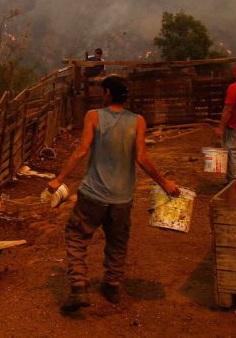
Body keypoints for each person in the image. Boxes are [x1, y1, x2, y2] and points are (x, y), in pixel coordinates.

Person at [47, 75, 180, 311]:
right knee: (118, 242)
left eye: (103, 91)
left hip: (92, 195)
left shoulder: (93, 116)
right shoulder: (138, 121)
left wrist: (59, 179)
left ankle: (79, 286)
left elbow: (81, 151)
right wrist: (164, 183)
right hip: (122, 198)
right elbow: (142, 158)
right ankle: (113, 285)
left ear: (108, 93)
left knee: (76, 236)